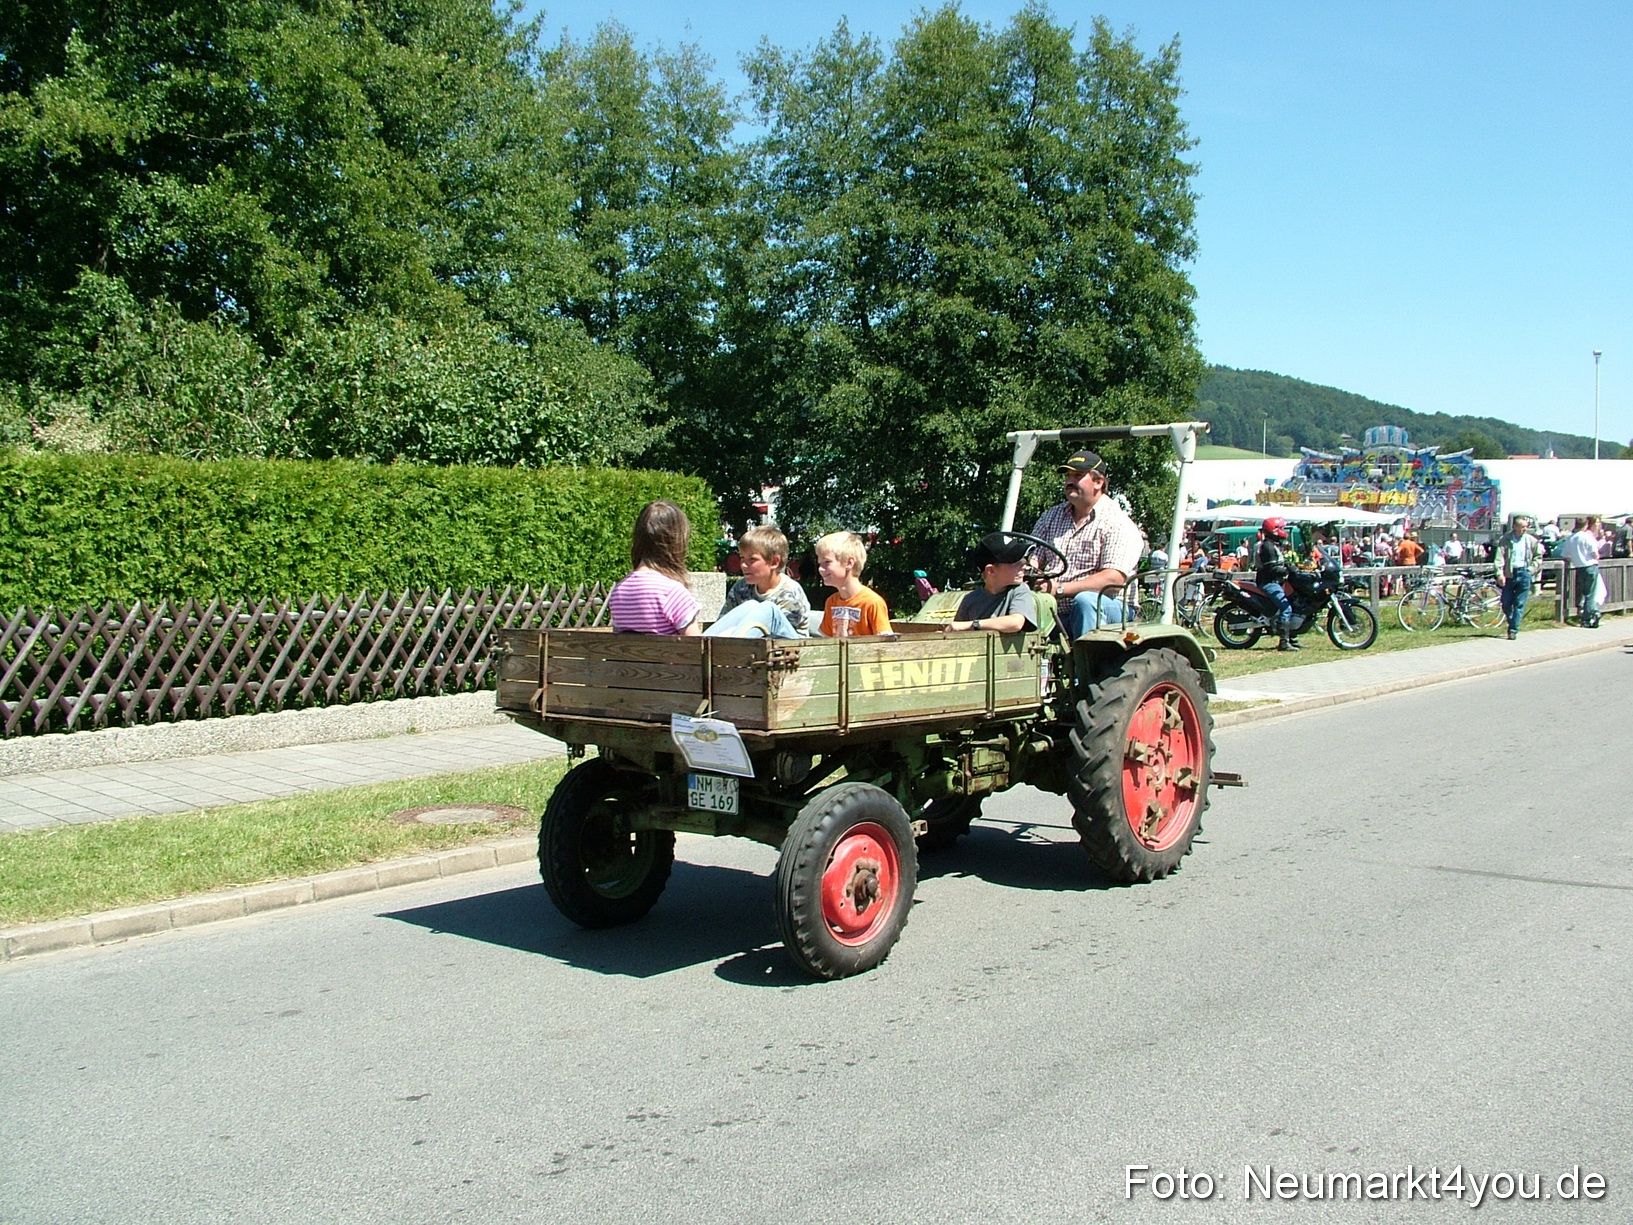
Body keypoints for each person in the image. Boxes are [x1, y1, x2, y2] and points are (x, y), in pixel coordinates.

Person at [609, 501, 799, 637]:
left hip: (639, 680)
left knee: (750, 606)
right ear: (675, 542)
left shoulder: (620, 591)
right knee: (768, 610)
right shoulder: (671, 593)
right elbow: (696, 650)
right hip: (683, 681)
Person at [1029, 450, 1143, 636]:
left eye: (1078, 475)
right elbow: (1032, 558)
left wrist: (1060, 589)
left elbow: (1113, 580)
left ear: (1098, 482)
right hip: (1054, 606)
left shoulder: (1117, 522)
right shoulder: (1052, 516)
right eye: (1067, 476)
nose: (1069, 481)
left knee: (1086, 601)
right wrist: (1026, 572)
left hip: (1110, 607)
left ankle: (1087, 662)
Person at [717, 524, 812, 636]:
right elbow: (724, 623)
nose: (743, 565)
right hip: (749, 647)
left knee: (767, 609)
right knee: (749, 606)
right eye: (742, 558)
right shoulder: (741, 588)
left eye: (752, 559)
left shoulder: (789, 592)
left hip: (788, 648)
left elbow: (780, 638)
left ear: (774, 562)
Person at [944, 533, 1038, 633]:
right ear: (991, 570)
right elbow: (957, 633)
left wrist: (974, 624)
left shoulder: (1019, 590)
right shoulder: (970, 601)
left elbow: (1016, 623)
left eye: (1023, 561)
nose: (1024, 566)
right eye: (1015, 562)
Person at [814, 531, 892, 636]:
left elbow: (886, 646)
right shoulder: (831, 602)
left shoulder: (872, 603)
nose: (820, 569)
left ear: (849, 563)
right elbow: (827, 644)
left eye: (827, 562)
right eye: (820, 564)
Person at [1493, 513, 1542, 640]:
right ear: (1515, 527)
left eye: (1526, 527)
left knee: (1519, 603)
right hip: (1510, 573)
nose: (1525, 529)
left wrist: (1531, 569)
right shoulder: (1506, 539)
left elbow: (1538, 557)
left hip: (1524, 572)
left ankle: (1513, 629)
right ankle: (1512, 621)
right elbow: (1499, 558)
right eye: (1522, 526)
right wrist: (1500, 573)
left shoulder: (1531, 540)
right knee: (1506, 602)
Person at [1255, 515, 1299, 651]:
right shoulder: (1268, 547)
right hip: (1269, 582)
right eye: (1281, 528)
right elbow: (1271, 568)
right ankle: (1284, 642)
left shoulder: (1274, 545)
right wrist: (1287, 569)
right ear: (1274, 530)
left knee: (1295, 602)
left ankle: (1293, 638)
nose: (1283, 530)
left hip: (1278, 581)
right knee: (1286, 608)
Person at [1561, 516, 1603, 629]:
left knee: (1583, 593)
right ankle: (1588, 618)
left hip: (1579, 567)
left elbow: (1565, 555)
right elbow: (1595, 553)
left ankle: (1588, 613)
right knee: (1590, 595)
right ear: (1586, 525)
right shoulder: (1587, 537)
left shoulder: (1571, 538)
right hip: (1590, 565)